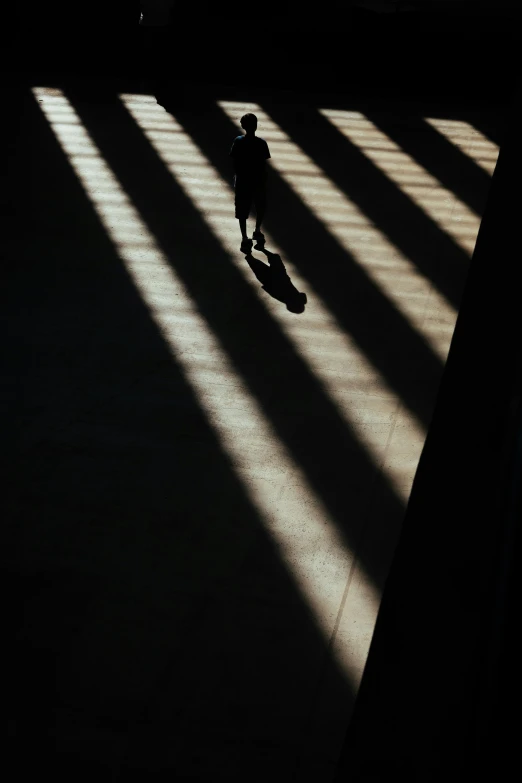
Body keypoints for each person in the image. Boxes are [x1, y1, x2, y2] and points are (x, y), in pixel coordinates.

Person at [230, 113, 271, 253]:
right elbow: (264, 165)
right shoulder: (261, 143)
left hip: (243, 181)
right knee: (260, 206)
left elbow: (234, 162)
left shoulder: (238, 141)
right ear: (256, 125)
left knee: (242, 209)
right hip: (258, 181)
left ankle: (244, 238)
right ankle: (257, 230)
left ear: (242, 126)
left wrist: (238, 177)